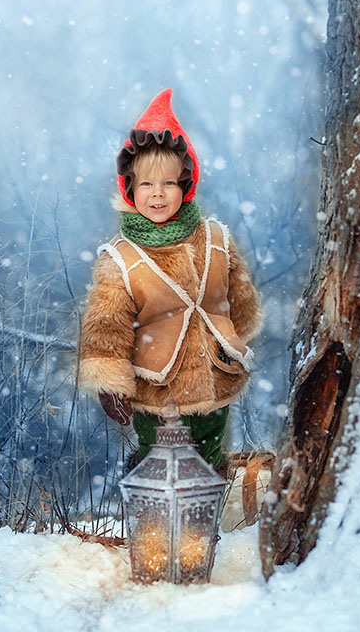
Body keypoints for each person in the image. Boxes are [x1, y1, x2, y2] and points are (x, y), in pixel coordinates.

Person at [77, 88, 262, 471]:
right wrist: (110, 380)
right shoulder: (121, 259)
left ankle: (201, 525)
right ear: (129, 188)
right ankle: (156, 523)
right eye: (146, 184)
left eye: (169, 184)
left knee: (208, 463)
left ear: (185, 186)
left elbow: (242, 302)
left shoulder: (215, 240)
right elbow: (105, 326)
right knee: (160, 466)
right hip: (157, 388)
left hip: (216, 381)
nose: (157, 194)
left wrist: (229, 344)